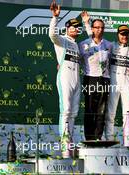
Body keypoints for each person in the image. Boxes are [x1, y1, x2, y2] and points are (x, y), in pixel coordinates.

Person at [49, 0, 81, 140]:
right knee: (66, 110)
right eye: (73, 27)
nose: (75, 29)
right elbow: (52, 35)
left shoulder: (77, 45)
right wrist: (55, 17)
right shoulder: (62, 40)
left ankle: (70, 139)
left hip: (76, 80)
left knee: (74, 112)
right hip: (65, 78)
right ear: (67, 28)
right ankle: (64, 139)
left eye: (77, 27)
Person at [105, 25, 129, 141]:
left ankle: (127, 139)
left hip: (128, 82)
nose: (124, 36)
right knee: (111, 111)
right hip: (114, 81)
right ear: (118, 35)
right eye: (122, 34)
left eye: (126, 34)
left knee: (128, 112)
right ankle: (109, 138)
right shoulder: (111, 45)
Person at [79, 18, 112, 140]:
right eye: (97, 27)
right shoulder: (84, 44)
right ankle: (89, 138)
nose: (100, 30)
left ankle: (98, 137)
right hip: (90, 79)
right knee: (89, 110)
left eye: (102, 27)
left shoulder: (109, 45)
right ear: (92, 29)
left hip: (104, 79)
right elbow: (77, 59)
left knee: (101, 110)